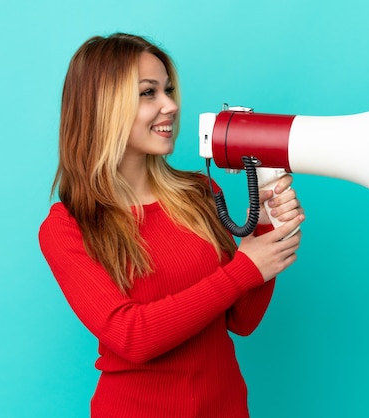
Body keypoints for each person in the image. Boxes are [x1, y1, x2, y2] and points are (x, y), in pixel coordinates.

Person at [38, 33, 305, 418]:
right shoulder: (67, 227)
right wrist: (243, 269)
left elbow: (241, 319)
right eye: (149, 93)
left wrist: (267, 225)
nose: (171, 105)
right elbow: (131, 335)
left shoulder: (199, 193)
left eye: (169, 90)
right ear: (102, 106)